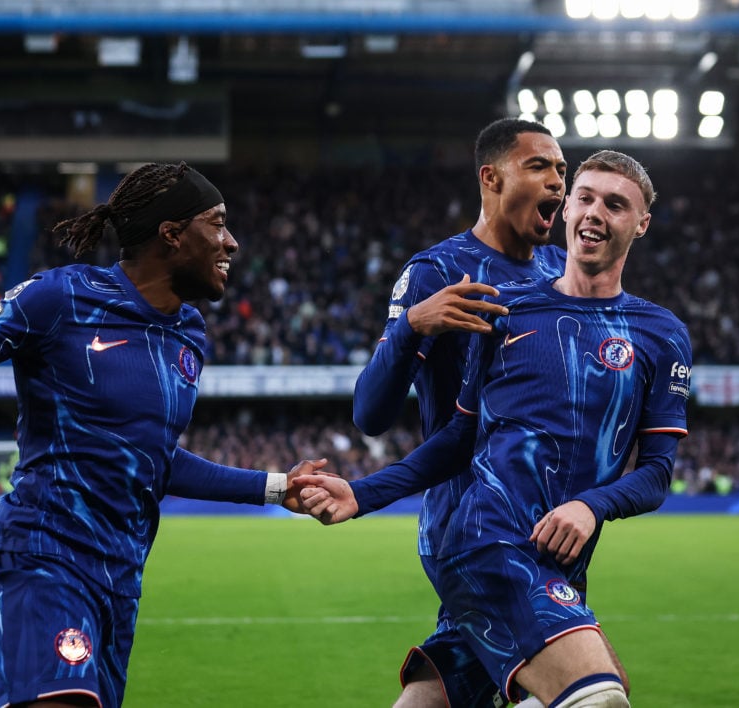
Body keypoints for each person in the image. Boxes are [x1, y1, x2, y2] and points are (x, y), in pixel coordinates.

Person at [0, 162, 328, 708]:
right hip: (42, 558)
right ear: (171, 234)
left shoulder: (189, 332)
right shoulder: (59, 298)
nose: (232, 242)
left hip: (119, 582)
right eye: (217, 224)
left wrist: (275, 487)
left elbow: (152, 459)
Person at [297, 150, 692, 708]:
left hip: (558, 562)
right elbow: (459, 441)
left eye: (616, 204)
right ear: (569, 206)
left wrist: (592, 506)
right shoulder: (505, 314)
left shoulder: (662, 333)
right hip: (488, 541)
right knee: (598, 697)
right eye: (584, 197)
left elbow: (656, 474)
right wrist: (363, 493)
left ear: (641, 223)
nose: (594, 213)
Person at [351, 117, 569, 708]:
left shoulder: (559, 274)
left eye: (562, 171)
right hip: (474, 523)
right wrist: (411, 327)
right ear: (491, 178)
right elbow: (370, 413)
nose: (557, 182)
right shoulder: (438, 272)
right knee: (582, 689)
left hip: (544, 526)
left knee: (454, 685)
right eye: (540, 166)